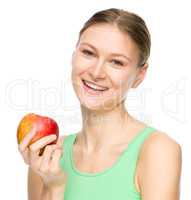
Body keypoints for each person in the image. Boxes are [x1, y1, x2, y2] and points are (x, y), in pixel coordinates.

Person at [18, 8, 182, 200]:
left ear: (140, 75)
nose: (96, 72)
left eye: (116, 62)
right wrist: (53, 186)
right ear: (73, 55)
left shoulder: (157, 150)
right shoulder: (47, 156)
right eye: (88, 53)